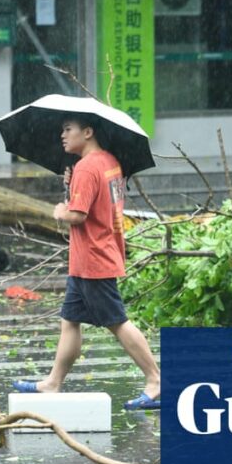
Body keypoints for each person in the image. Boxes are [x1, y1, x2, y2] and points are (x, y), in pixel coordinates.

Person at [12, 115, 161, 411]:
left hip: (94, 259)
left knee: (117, 322)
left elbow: (77, 215)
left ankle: (156, 381)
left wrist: (58, 210)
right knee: (70, 321)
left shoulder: (87, 167)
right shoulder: (109, 162)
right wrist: (71, 188)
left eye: (68, 130)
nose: (62, 136)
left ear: (88, 132)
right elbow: (96, 206)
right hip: (91, 257)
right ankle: (53, 383)